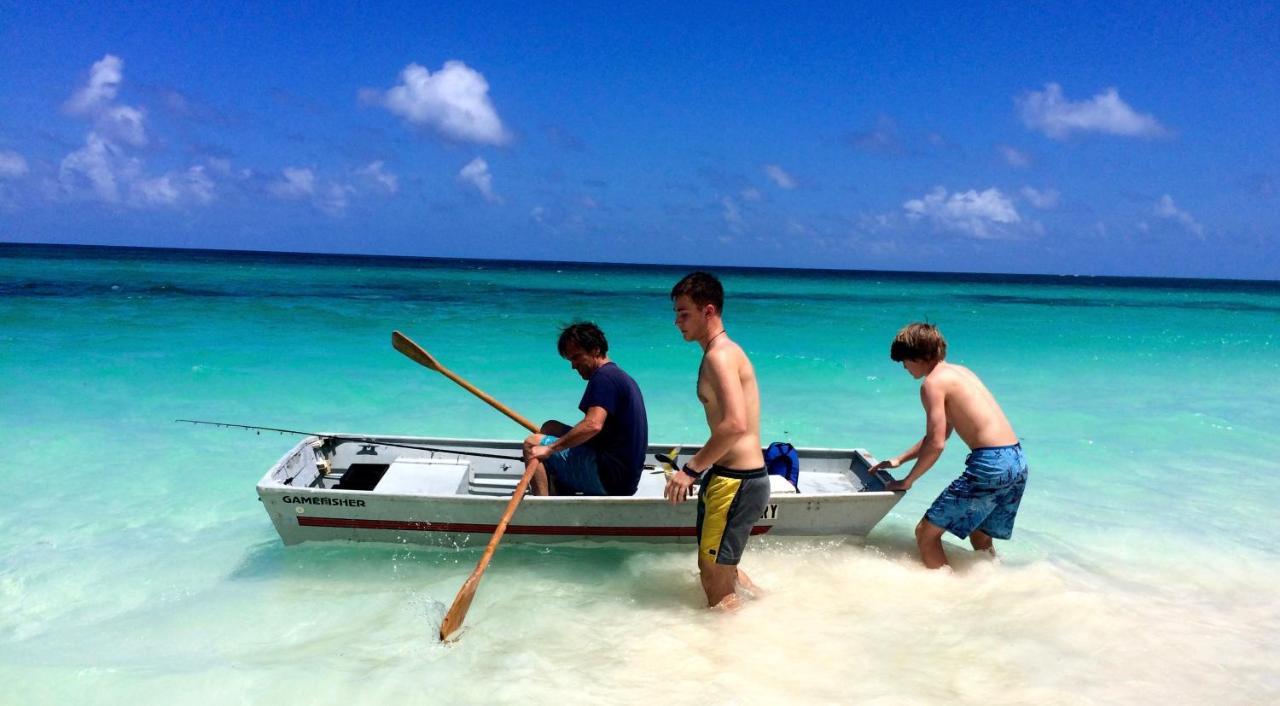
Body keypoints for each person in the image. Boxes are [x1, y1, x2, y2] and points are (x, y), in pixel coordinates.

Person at [870, 322, 1028, 569]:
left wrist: (908, 480)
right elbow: (940, 434)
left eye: (904, 361)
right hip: (1016, 460)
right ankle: (991, 583)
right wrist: (900, 459)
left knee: (925, 534)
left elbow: (937, 443)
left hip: (990, 464)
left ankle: (948, 596)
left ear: (919, 356)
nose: (903, 367)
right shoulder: (961, 372)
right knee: (980, 532)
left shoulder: (932, 384)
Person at [664, 272, 770, 609]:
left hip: (737, 481)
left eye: (684, 313)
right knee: (718, 566)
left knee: (714, 578)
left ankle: (727, 653)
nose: (677, 321)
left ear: (708, 311)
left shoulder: (719, 356)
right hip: (733, 478)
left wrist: (690, 470)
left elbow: (735, 424)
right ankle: (771, 612)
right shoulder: (723, 352)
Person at [523, 322, 648, 497]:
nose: (573, 366)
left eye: (576, 357)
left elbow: (592, 425)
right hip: (623, 475)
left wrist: (550, 448)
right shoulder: (617, 375)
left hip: (610, 479)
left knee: (532, 444)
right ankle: (557, 485)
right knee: (550, 427)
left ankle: (543, 507)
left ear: (596, 350)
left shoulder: (603, 378)